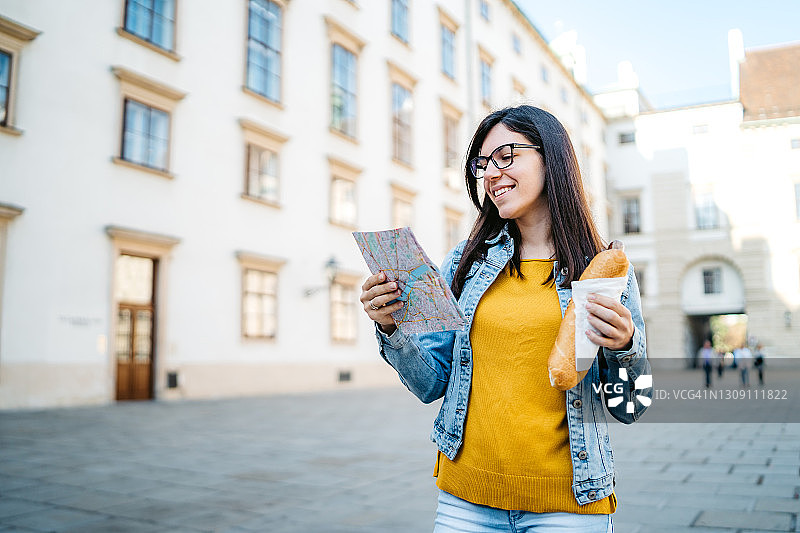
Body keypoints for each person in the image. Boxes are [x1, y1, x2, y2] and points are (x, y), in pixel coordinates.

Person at [359, 105, 651, 533]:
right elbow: (430, 384)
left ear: (551, 158)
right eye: (484, 163)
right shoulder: (465, 262)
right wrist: (391, 327)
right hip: (466, 500)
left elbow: (631, 406)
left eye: (507, 156)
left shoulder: (602, 270)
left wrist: (625, 348)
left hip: (567, 505)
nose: (492, 173)